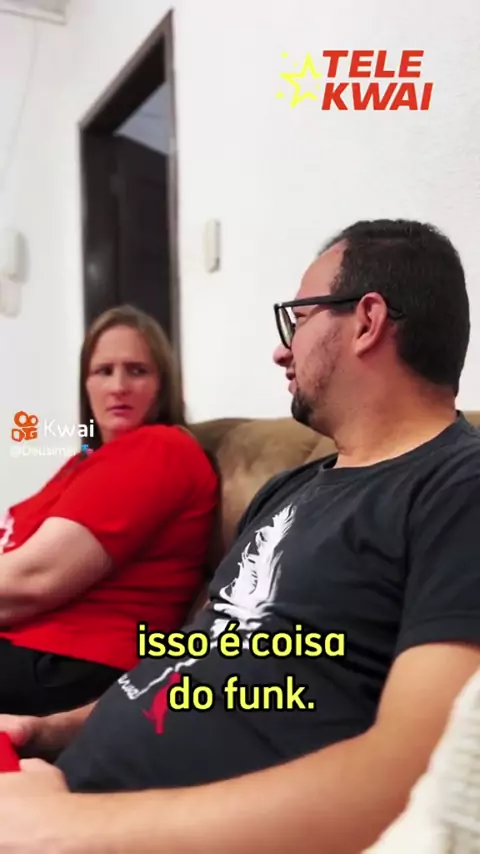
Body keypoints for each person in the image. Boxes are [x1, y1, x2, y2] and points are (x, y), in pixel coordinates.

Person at [0, 218, 480, 854]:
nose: (282, 352)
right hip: (61, 794)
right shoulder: (289, 489)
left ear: (367, 321)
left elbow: (422, 778)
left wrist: (58, 829)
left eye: (297, 320)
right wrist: (49, 730)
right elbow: (192, 666)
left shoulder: (458, 488)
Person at [0, 305, 218, 716]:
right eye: (104, 371)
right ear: (86, 384)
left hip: (73, 662)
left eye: (137, 371)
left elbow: (34, 579)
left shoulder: (159, 449)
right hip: (30, 648)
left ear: (163, 384)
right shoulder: (83, 463)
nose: (118, 386)